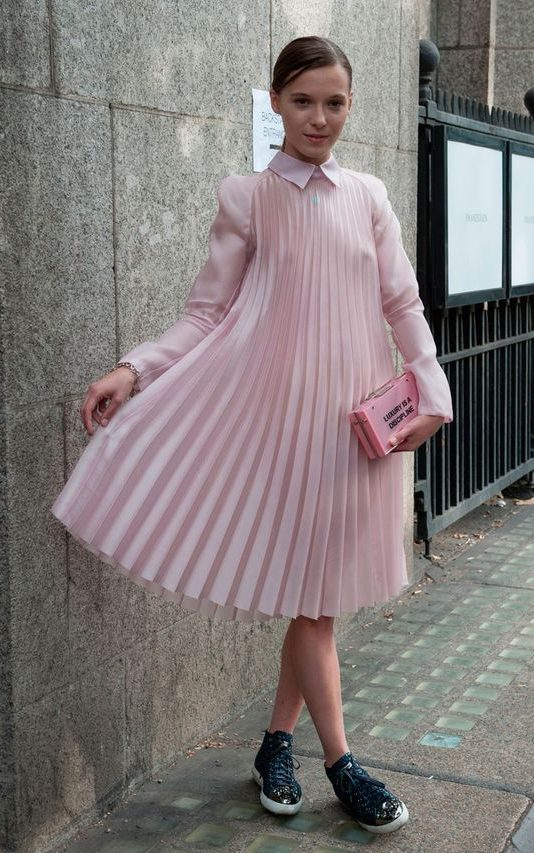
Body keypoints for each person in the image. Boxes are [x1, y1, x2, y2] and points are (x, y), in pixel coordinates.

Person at [50, 36, 453, 835]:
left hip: (358, 425)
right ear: (275, 101)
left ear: (350, 106)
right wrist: (136, 369)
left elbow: (402, 302)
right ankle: (341, 761)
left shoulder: (369, 194)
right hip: (282, 425)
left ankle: (275, 742)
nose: (319, 117)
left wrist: (431, 386)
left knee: (317, 601)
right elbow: (206, 314)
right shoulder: (246, 196)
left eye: (334, 102)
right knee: (316, 602)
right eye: (303, 100)